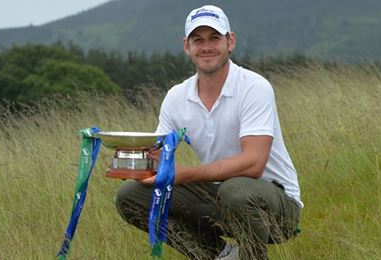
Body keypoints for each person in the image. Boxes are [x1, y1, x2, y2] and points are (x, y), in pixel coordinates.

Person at [116, 4, 303, 259]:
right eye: (198, 39)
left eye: (215, 38)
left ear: (230, 41)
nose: (206, 47)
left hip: (277, 205)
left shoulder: (254, 87)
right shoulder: (176, 97)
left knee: (235, 190)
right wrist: (129, 160)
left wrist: (185, 174)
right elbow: (159, 156)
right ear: (186, 46)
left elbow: (254, 164)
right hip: (221, 198)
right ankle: (222, 255)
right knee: (130, 195)